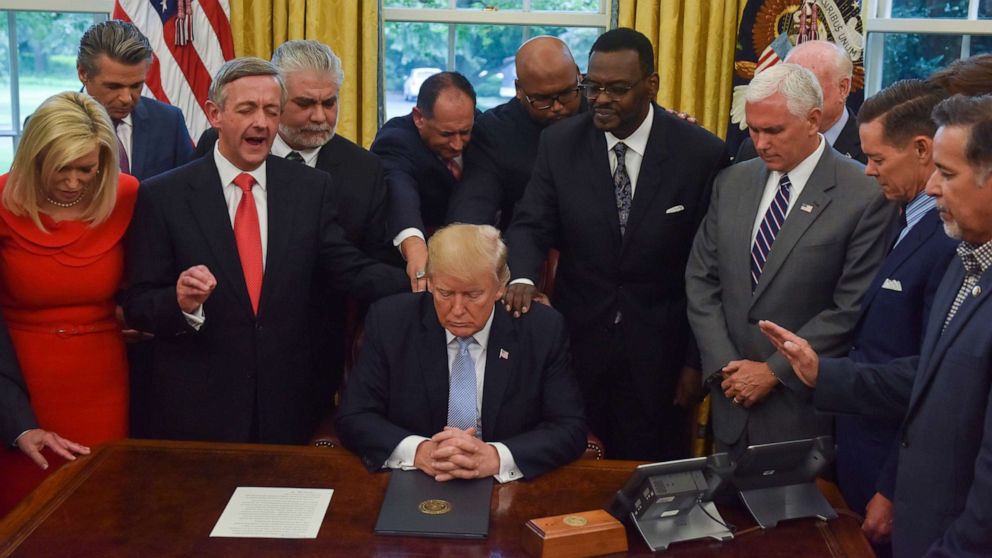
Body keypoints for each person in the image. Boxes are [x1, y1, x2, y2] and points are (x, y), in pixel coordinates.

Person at [122, 58, 407, 445]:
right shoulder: (163, 195)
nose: (262, 122)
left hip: (288, 406)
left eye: (271, 111)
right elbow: (139, 303)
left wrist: (427, 281)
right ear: (215, 114)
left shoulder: (310, 188)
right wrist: (182, 301)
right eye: (247, 109)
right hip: (198, 409)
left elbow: (348, 269)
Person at [759, 94, 992, 558]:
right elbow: (930, 379)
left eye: (947, 175)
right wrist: (822, 372)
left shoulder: (952, 251)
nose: (932, 189)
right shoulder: (966, 262)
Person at [503, 28, 728, 461]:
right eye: (593, 86)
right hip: (579, 345)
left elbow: (710, 270)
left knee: (652, 476)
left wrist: (694, 361)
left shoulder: (700, 154)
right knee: (573, 473)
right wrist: (525, 276)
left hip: (661, 357)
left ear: (652, 84)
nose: (601, 99)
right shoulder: (560, 143)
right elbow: (531, 223)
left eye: (617, 89)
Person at [684, 63, 893, 454]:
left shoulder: (863, 194)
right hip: (730, 405)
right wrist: (728, 367)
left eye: (774, 130)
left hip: (799, 415)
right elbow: (702, 280)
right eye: (753, 129)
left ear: (813, 120)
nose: (760, 143)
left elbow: (849, 307)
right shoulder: (732, 182)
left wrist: (772, 372)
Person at [192, 40, 397, 414]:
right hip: (218, 344)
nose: (320, 117)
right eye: (305, 104)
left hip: (312, 349)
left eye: (329, 103)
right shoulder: (217, 144)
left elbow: (370, 264)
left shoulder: (364, 170)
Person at [335, 224, 586, 481]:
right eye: (445, 293)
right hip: (413, 478)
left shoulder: (541, 330)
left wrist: (495, 457)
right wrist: (419, 451)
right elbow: (354, 416)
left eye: (472, 295)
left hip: (507, 484)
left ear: (500, 286)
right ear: (430, 282)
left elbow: (569, 428)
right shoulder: (390, 322)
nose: (457, 309)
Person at [0, 91, 139, 516]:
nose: (75, 182)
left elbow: (144, 286)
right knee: (24, 509)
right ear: (33, 157)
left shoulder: (128, 196)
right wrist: (15, 420)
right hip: (17, 381)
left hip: (102, 380)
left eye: (87, 169)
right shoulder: (2, 199)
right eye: (61, 168)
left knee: (97, 504)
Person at [838, 80, 957, 553]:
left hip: (897, 474)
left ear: (922, 149)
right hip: (862, 453)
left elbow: (930, 381)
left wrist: (891, 487)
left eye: (878, 159)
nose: (867, 171)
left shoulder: (949, 238)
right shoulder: (906, 217)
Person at [447, 36, 584, 231]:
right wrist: (464, 241)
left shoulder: (601, 115)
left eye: (567, 93)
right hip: (523, 243)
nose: (557, 107)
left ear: (578, 75)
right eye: (542, 99)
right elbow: (474, 201)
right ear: (519, 90)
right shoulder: (495, 131)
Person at [371, 72, 477, 291]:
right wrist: (415, 248)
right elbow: (399, 192)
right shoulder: (395, 139)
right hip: (409, 262)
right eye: (446, 134)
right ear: (419, 117)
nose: (457, 145)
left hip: (475, 253)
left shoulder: (484, 128)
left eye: (465, 132)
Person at [77, 20, 192, 179]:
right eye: (113, 87)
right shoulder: (51, 124)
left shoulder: (169, 122)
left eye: (136, 86)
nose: (126, 98)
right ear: (83, 73)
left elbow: (187, 189)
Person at [736, 40, 865, 164]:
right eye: (787, 85)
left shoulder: (870, 150)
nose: (791, 96)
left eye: (805, 86)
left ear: (843, 88)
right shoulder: (752, 150)